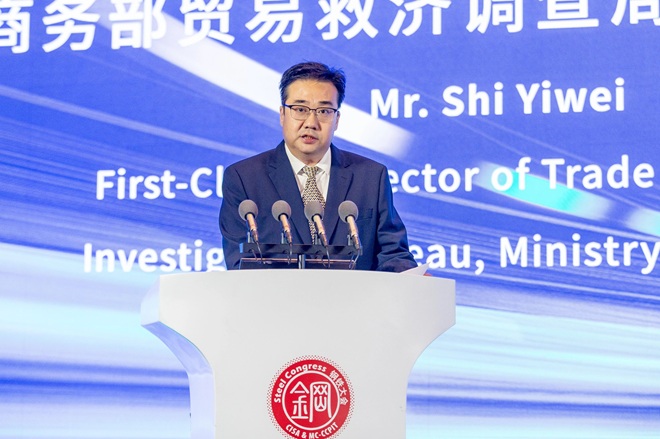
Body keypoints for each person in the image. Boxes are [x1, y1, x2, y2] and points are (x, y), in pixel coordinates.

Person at [219, 61, 417, 272]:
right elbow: (239, 262)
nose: (311, 123)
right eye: (300, 109)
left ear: (337, 119)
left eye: (324, 111)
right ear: (282, 114)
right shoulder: (243, 178)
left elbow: (393, 254)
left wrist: (411, 276)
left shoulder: (371, 177)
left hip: (354, 294)